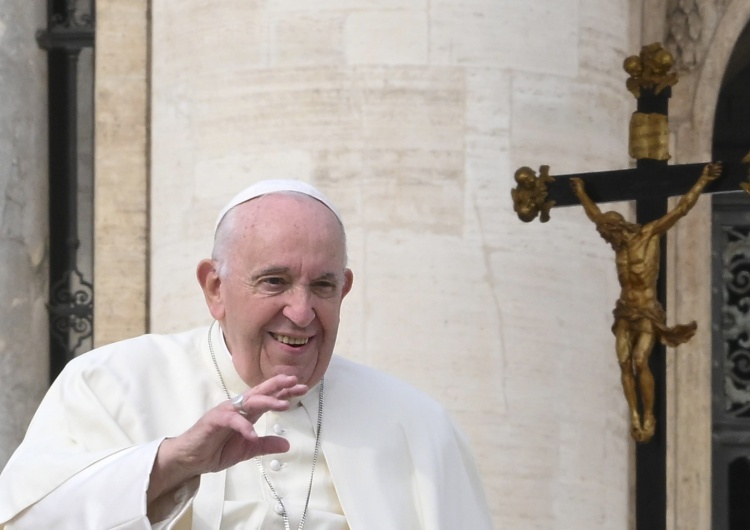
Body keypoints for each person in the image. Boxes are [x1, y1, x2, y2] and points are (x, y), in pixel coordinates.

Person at [0, 180, 495, 529]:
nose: (301, 312)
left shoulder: (419, 426)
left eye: (322, 285)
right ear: (215, 288)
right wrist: (172, 463)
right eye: (274, 282)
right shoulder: (108, 385)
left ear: (344, 290)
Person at [570, 162, 721, 442]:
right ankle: (635, 416)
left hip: (647, 310)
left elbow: (681, 209)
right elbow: (595, 215)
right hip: (625, 311)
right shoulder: (618, 244)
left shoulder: (648, 234)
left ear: (617, 227)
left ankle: (648, 413)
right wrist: (580, 192)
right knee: (624, 363)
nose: (606, 239)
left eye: (607, 234)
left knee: (641, 361)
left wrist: (702, 180)